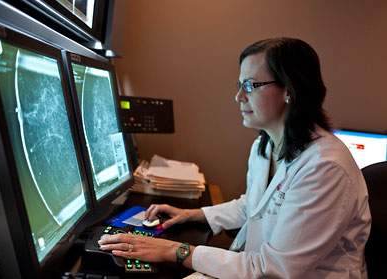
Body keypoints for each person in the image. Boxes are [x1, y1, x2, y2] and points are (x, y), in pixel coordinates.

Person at [98, 38, 371, 278]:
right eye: (239, 85)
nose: (238, 96)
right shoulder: (265, 146)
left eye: (251, 85)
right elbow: (253, 206)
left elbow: (275, 270)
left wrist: (177, 251)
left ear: (290, 90)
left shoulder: (324, 168)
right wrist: (192, 214)